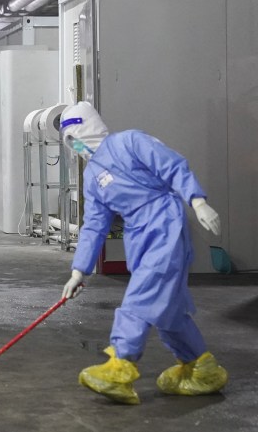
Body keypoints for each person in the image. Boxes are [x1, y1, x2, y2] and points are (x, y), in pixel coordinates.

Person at [59, 101, 227, 405]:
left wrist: (197, 200)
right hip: (138, 235)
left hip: (165, 226)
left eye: (75, 136)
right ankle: (202, 369)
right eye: (69, 141)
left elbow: (172, 165)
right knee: (168, 310)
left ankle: (120, 367)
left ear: (89, 127)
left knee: (141, 297)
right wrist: (78, 270)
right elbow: (94, 225)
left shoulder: (129, 141)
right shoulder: (92, 177)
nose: (75, 146)